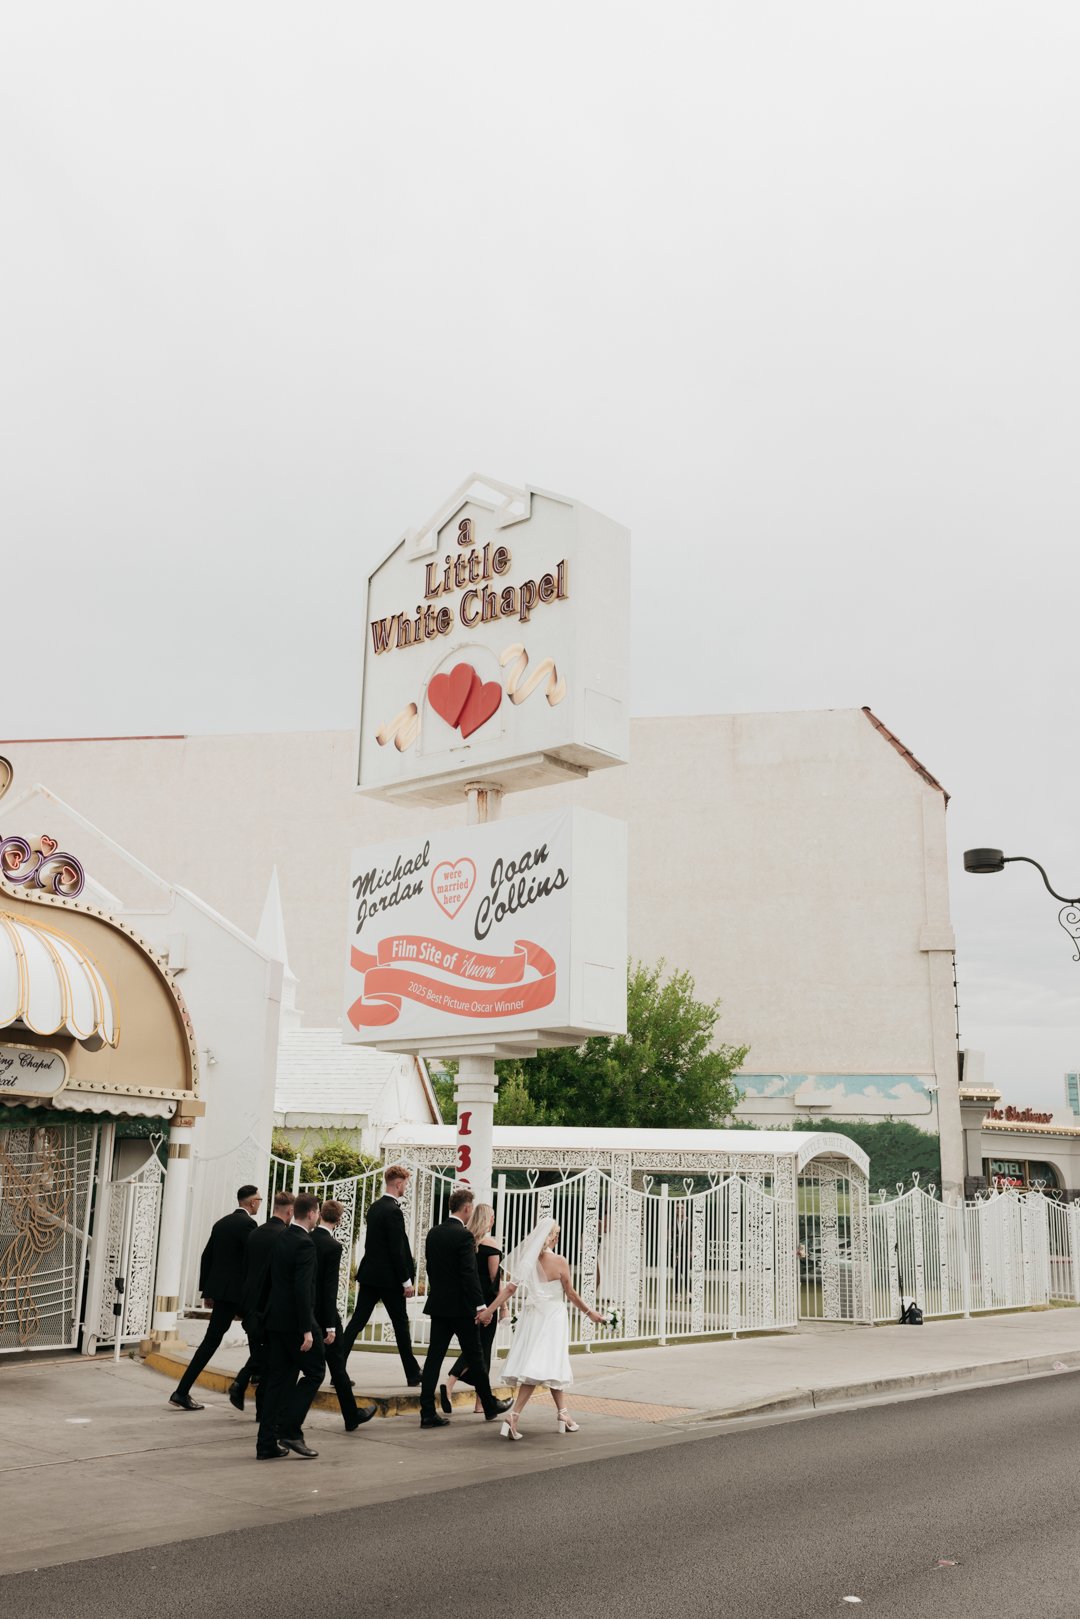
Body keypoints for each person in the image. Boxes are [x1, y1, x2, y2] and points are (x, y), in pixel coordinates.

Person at [499, 1216, 606, 1440]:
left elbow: (509, 1288)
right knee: (537, 1367)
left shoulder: (527, 1261)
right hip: (553, 1317)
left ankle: (563, 1414)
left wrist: (491, 1311)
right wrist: (590, 1313)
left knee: (550, 1365)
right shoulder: (560, 1261)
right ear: (554, 1237)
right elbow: (571, 1294)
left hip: (533, 1318)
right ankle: (514, 1416)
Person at [418, 1187, 512, 1429]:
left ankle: (427, 1411)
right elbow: (468, 1274)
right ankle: (489, 1406)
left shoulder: (434, 1233)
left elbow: (430, 1269)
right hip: (461, 1308)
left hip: (439, 1305)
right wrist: (482, 1306)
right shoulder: (464, 1237)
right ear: (467, 1208)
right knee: (476, 1356)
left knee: (434, 1358)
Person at [169, 1184, 262, 1412]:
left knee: (221, 1339)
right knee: (255, 1334)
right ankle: (250, 1381)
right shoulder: (249, 1224)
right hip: (238, 1294)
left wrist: (207, 1291)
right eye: (259, 1199)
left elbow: (207, 1256)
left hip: (221, 1293)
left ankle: (183, 1391)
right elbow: (252, 1259)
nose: (260, 1202)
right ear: (251, 1202)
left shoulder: (221, 1223)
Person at [255, 1192, 326, 1460]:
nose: (317, 1216)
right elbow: (302, 1288)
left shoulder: (282, 1236)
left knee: (278, 1379)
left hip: (275, 1320)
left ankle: (266, 1444)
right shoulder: (305, 1244)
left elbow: (268, 1279)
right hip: (296, 1323)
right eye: (317, 1212)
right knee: (316, 1371)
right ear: (311, 1213)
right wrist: (306, 1328)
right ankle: (290, 1429)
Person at [341, 1164, 422, 1386]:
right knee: (400, 1325)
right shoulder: (394, 1211)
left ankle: (338, 1370)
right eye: (405, 1183)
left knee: (357, 1321)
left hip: (370, 1275)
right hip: (389, 1279)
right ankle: (413, 1374)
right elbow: (396, 1249)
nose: (405, 1187)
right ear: (398, 1184)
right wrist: (406, 1281)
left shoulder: (375, 1207)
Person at [313, 1199, 377, 1432]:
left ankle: (352, 1414)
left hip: (305, 1313)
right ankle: (351, 1415)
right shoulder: (332, 1246)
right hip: (325, 1317)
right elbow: (329, 1288)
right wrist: (330, 1324)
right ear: (339, 1220)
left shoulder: (307, 1239)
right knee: (337, 1366)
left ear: (320, 1215)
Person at [229, 1188, 295, 1414]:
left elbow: (245, 1268)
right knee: (270, 1356)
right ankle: (244, 1384)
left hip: (249, 1301)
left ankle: (256, 1403)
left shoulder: (256, 1233)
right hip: (268, 1303)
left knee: (261, 1353)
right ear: (290, 1211)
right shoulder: (284, 1236)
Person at [438, 1202, 507, 1416]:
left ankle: (481, 1404)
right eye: (492, 1216)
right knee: (478, 1350)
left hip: (468, 1302)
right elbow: (496, 1279)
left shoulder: (468, 1241)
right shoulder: (491, 1244)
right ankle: (449, 1384)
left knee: (479, 1350)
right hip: (486, 1304)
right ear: (487, 1219)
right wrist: (502, 1307)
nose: (494, 1220)